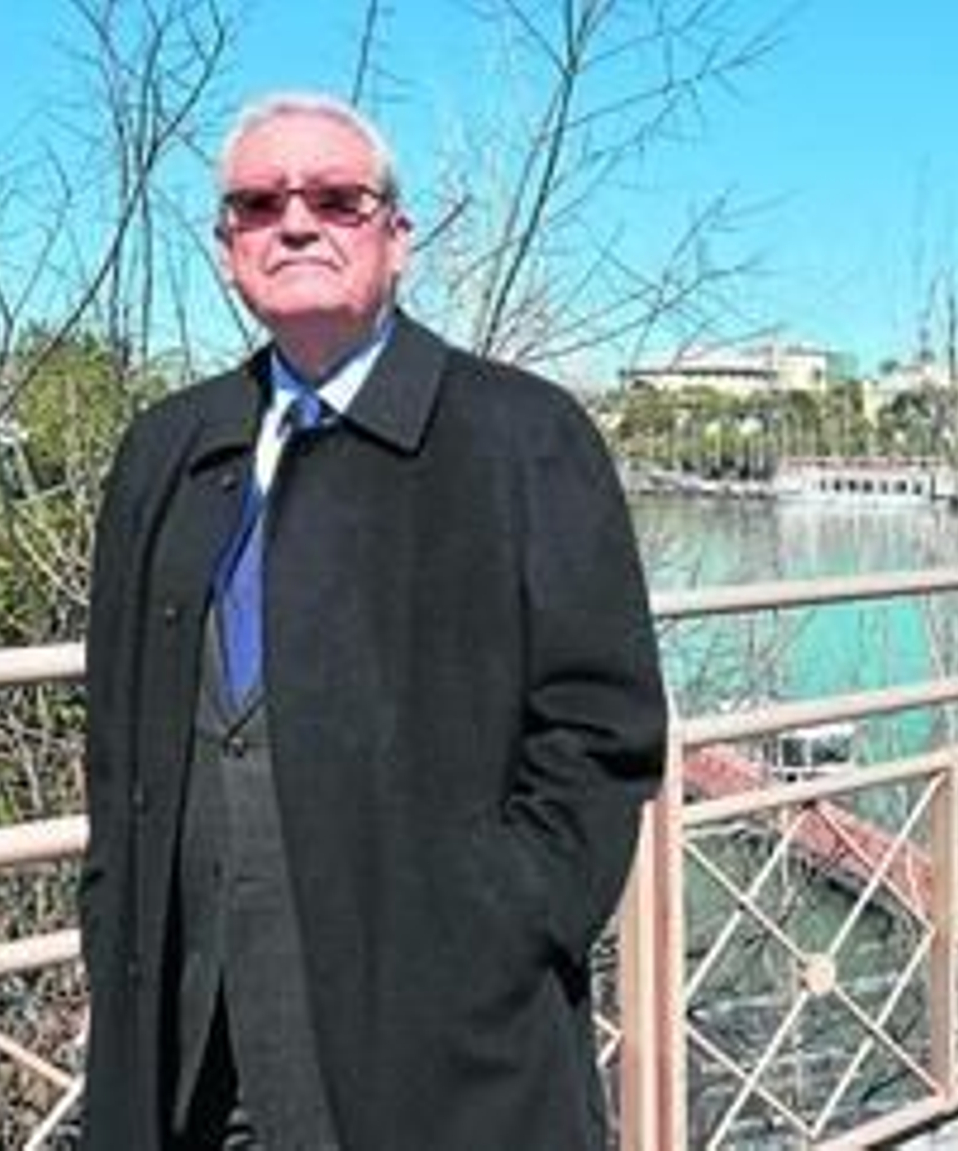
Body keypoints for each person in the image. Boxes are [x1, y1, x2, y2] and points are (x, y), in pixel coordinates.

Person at [78, 91, 667, 1149]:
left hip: (432, 1032)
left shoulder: (520, 436)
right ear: (227, 249)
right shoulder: (166, 448)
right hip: (185, 1027)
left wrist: (505, 924)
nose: (295, 221)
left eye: (336, 198)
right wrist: (112, 927)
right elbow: (115, 738)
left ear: (396, 238)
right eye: (260, 203)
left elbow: (601, 728)